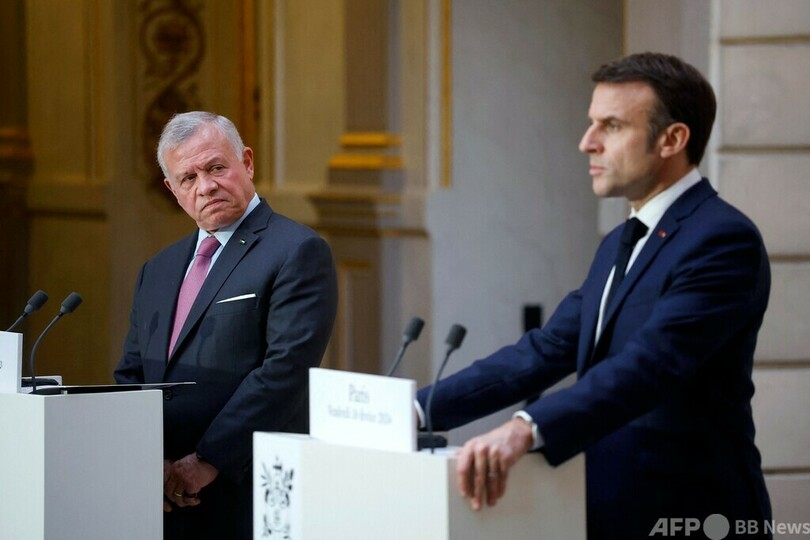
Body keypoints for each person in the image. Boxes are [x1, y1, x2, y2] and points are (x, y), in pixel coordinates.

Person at [416, 52, 772, 539]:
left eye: (612, 126)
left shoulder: (722, 239)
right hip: (607, 508)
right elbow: (546, 350)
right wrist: (417, 410)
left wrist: (526, 426)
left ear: (672, 139)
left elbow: (650, 365)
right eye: (592, 123)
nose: (587, 142)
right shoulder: (621, 240)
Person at [114, 111, 338, 539]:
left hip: (245, 490)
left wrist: (206, 460)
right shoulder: (157, 269)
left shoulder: (297, 251)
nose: (206, 186)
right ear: (172, 190)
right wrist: (147, 462)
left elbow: (284, 372)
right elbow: (131, 373)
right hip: (161, 496)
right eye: (188, 177)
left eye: (216, 167)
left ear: (247, 163)